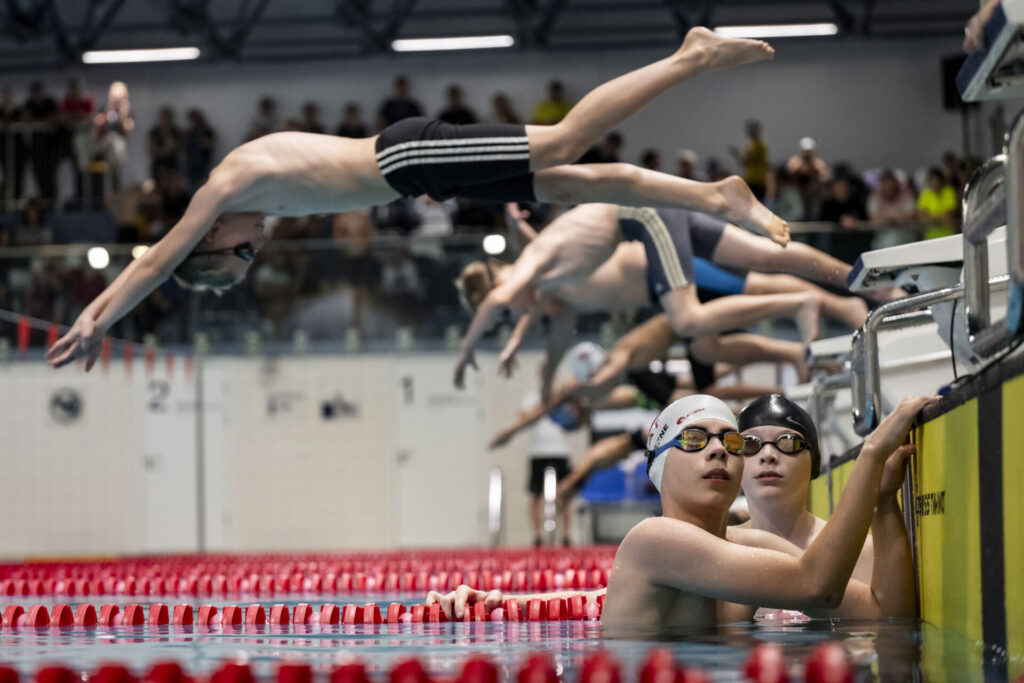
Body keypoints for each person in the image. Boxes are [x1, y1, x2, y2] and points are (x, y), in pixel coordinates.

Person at [47, 27, 788, 369]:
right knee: (576, 181)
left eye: (240, 249)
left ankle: (689, 58)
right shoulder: (251, 193)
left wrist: (94, 316)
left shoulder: (224, 188)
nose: (254, 242)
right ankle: (715, 197)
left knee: (564, 146)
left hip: (408, 154)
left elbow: (153, 264)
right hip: (419, 172)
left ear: (209, 236)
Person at [429, 393, 935, 629]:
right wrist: (869, 455)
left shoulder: (749, 547)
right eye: (694, 440)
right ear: (659, 468)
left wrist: (885, 504)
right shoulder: (654, 540)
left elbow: (887, 615)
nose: (718, 450)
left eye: (729, 441)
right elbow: (814, 584)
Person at [452, 196, 857, 389]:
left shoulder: (532, 268)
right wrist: (536, 375)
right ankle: (852, 286)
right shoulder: (546, 285)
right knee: (708, 344)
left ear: (502, 281)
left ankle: (832, 300)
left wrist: (466, 349)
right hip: (656, 269)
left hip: (657, 255)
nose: (510, 315)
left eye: (502, 314)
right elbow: (540, 321)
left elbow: (504, 297)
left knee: (751, 283)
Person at [489, 326, 788, 500]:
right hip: (645, 389)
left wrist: (510, 432)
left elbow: (538, 411)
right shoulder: (588, 397)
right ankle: (770, 385)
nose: (581, 423)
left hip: (645, 385)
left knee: (704, 390)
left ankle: (765, 377)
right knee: (709, 385)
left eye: (575, 422)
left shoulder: (574, 388)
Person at [736, 394, 915, 619]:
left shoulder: (861, 552)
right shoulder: (720, 547)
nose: (768, 455)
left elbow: (892, 626)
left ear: (814, 462)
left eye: (788, 442)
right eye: (750, 444)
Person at [729, 119, 768, 199]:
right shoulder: (750, 146)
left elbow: (748, 161)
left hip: (758, 181)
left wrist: (737, 154)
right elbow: (744, 163)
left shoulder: (759, 146)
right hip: (750, 180)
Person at [916, 167, 959, 240]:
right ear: (929, 182)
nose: (935, 183)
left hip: (948, 236)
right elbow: (922, 217)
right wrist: (942, 217)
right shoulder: (925, 194)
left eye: (937, 181)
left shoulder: (949, 191)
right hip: (930, 237)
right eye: (932, 181)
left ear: (942, 181)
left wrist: (931, 217)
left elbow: (950, 214)